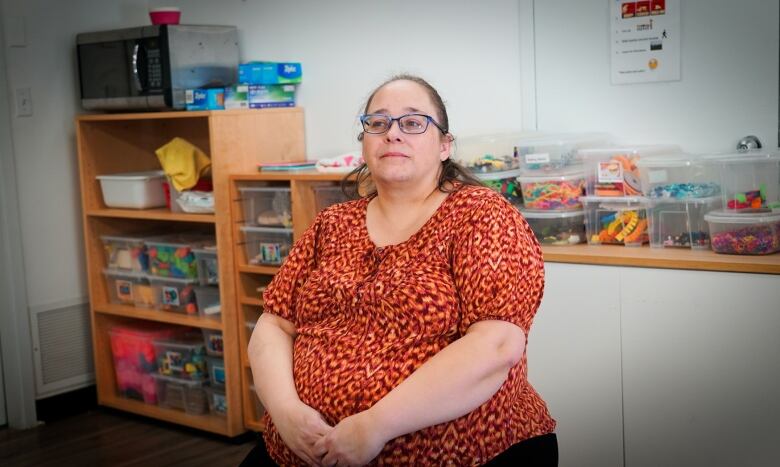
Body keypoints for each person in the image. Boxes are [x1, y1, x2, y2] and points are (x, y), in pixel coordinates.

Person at [242, 74, 557, 466]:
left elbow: (497, 344)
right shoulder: (331, 223)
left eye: (412, 122)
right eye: (378, 123)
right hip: (302, 451)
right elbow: (273, 326)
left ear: (444, 145)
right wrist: (287, 414)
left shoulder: (481, 215)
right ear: (364, 142)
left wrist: (375, 426)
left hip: (458, 454)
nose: (392, 134)